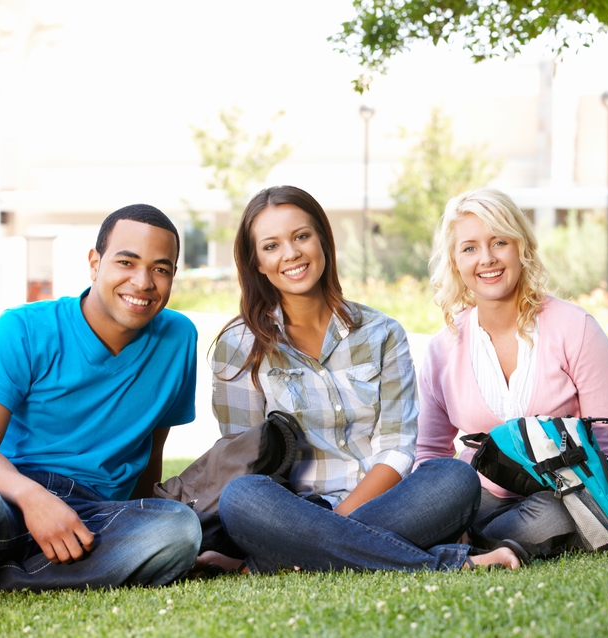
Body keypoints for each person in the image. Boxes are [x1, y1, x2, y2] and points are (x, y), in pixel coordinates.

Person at [198, 185, 524, 574]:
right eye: (271, 246)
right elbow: (247, 462)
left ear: (322, 240)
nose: (291, 253)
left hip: (386, 504)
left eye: (301, 236)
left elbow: (397, 449)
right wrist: (307, 523)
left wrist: (334, 524)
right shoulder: (239, 346)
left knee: (454, 476)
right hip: (289, 513)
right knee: (242, 495)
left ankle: (286, 560)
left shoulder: (381, 332)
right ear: (256, 263)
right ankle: (441, 563)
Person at [0, 204, 202, 596]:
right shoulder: (23, 328)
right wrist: (34, 499)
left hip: (96, 517)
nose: (143, 282)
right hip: (10, 494)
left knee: (178, 529)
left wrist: (145, 523)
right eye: (126, 262)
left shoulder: (179, 338)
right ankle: (11, 569)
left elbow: (150, 452)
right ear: (95, 263)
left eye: (160, 269)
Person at [415, 188, 608, 557]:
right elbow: (430, 453)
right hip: (477, 497)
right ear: (455, 261)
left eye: (499, 242)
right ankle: (470, 537)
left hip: (559, 494)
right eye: (469, 248)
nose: (486, 259)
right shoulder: (443, 349)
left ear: (521, 247)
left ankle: (471, 543)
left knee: (556, 514)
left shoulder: (576, 327)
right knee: (450, 494)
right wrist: (438, 513)